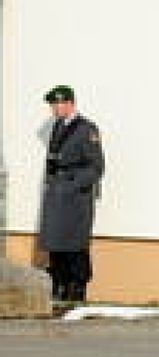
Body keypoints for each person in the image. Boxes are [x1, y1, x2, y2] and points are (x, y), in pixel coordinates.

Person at [38, 85, 104, 304]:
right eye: (53, 105)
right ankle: (60, 285)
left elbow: (96, 167)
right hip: (57, 194)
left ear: (69, 104)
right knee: (56, 244)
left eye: (58, 104)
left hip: (75, 198)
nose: (54, 109)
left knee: (74, 245)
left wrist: (72, 185)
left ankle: (77, 289)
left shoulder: (86, 129)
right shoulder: (58, 126)